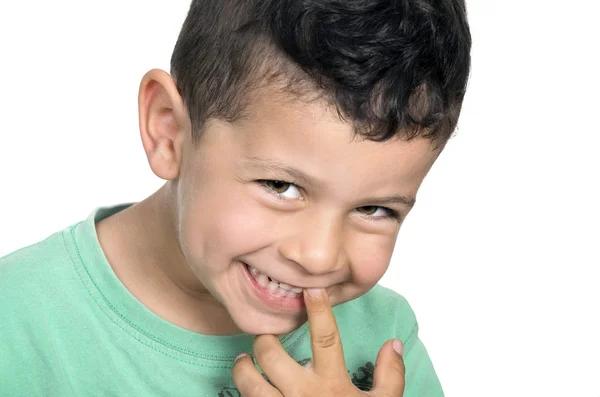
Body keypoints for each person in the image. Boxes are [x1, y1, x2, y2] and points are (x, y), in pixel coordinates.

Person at [0, 0, 471, 396]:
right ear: (169, 131)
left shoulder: (385, 338)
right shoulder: (16, 322)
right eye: (281, 187)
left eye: (374, 209)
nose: (319, 255)